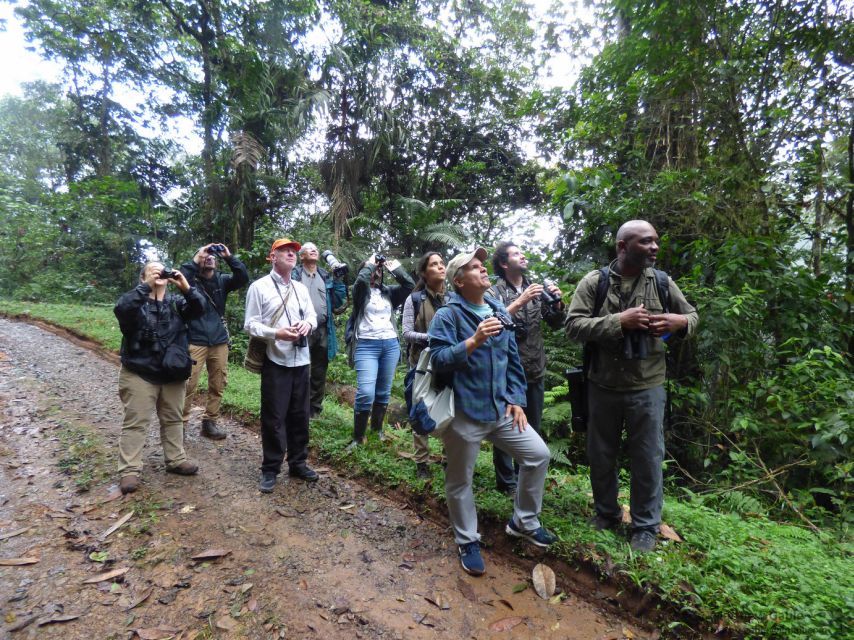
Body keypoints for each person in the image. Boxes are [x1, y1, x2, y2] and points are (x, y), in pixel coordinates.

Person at [565, 220, 698, 552]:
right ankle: (607, 514)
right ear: (622, 247)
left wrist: (679, 322)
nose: (654, 247)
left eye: (655, 241)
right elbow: (573, 325)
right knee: (601, 454)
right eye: (645, 242)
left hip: (647, 386)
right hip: (602, 385)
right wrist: (617, 322)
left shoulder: (663, 283)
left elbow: (692, 316)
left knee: (648, 457)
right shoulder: (595, 282)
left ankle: (645, 527)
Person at [428, 248, 557, 576]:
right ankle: (467, 539)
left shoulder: (498, 308)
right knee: (460, 480)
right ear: (459, 281)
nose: (483, 270)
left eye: (482, 265)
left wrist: (515, 398)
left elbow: (513, 358)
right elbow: (439, 359)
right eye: (474, 267)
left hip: (500, 410)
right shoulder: (449, 315)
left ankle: (523, 520)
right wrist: (472, 341)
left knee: (538, 454)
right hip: (464, 414)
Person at [113, 261, 205, 494]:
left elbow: (200, 308)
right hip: (139, 372)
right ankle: (130, 470)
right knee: (136, 422)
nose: (159, 272)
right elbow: (122, 309)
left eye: (162, 269)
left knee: (173, 418)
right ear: (143, 277)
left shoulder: (177, 304)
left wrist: (186, 287)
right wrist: (146, 286)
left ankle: (175, 460)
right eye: (152, 270)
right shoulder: (135, 302)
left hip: (172, 372)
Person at [489, 241, 565, 493]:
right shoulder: (494, 291)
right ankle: (506, 482)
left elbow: (555, 324)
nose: (522, 256)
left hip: (535, 368)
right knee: (506, 427)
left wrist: (556, 304)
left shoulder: (536, 288)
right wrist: (520, 301)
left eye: (522, 252)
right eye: (515, 254)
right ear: (503, 263)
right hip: (507, 371)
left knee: (531, 425)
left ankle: (526, 479)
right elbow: (492, 323)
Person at [244, 238, 318, 493]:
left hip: (302, 359)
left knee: (300, 415)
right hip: (276, 359)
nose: (291, 254)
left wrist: (307, 325)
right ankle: (270, 468)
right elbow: (251, 324)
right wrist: (278, 333)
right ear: (272, 257)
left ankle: (298, 463)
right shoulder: (259, 287)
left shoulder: (300, 288)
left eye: (294, 251)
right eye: (285, 250)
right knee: (274, 417)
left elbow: (311, 316)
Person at [179, 242, 249, 439]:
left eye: (213, 256)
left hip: (219, 341)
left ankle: (210, 422)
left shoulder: (222, 281)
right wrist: (197, 257)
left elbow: (243, 277)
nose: (210, 257)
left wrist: (228, 256)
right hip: (195, 340)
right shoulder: (189, 282)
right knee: (188, 384)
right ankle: (180, 424)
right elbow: (180, 276)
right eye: (205, 256)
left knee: (218, 384)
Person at [347, 253, 415, 448]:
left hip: (390, 345)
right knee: (366, 392)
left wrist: (394, 267)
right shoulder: (360, 292)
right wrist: (369, 264)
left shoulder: (388, 292)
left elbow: (409, 286)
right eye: (372, 270)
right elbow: (361, 281)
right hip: (366, 345)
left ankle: (377, 430)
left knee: (383, 392)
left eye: (378, 271)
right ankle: (358, 437)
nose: (376, 273)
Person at [402, 252, 446, 479]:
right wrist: (431, 338)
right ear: (424, 272)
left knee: (452, 409)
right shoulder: (415, 299)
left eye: (442, 263)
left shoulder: (454, 298)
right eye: (434, 264)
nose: (440, 267)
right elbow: (407, 333)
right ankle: (422, 462)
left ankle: (449, 459)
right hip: (420, 365)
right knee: (420, 409)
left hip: (449, 363)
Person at [292, 242, 347, 418]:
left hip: (323, 329)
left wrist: (338, 280)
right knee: (300, 368)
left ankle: (314, 409)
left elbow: (338, 301)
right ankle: (297, 406)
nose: (314, 250)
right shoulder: (295, 274)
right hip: (300, 328)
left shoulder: (325, 276)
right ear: (302, 256)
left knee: (319, 370)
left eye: (315, 248)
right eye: (309, 248)